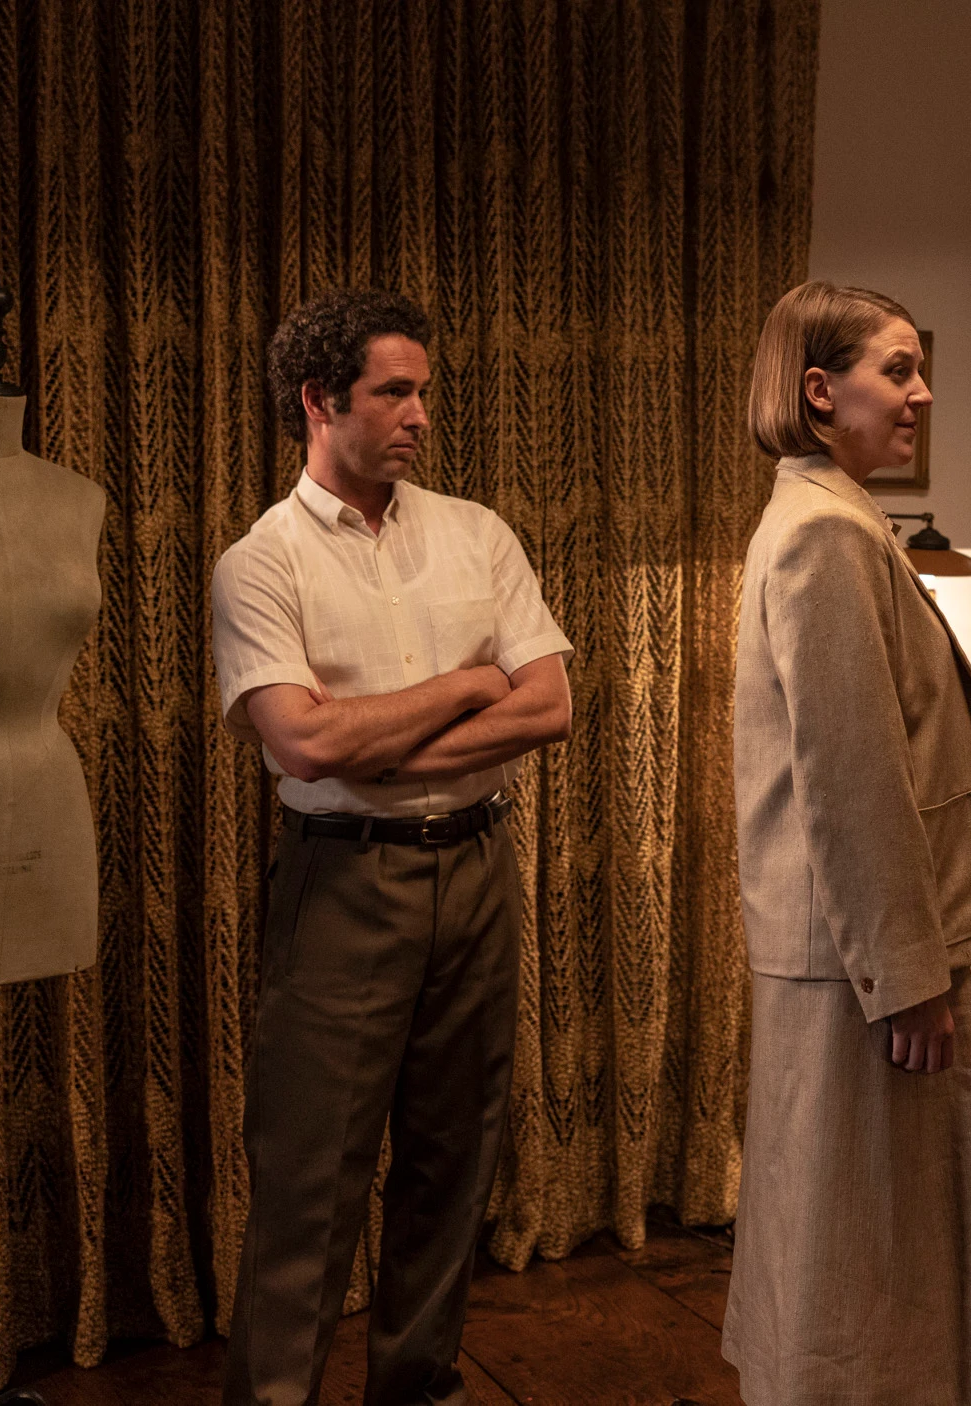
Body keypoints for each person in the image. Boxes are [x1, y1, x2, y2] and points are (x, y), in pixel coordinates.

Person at [211, 288, 574, 1406]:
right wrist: (471, 682)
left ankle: (416, 1386)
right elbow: (306, 740)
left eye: (424, 390)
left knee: (451, 1159)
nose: (420, 414)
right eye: (395, 392)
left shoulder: (477, 532)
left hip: (477, 867)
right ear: (321, 401)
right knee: (310, 1177)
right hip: (343, 881)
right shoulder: (259, 564)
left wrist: (385, 741)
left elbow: (549, 703)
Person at [723, 281, 971, 1405]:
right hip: (862, 967)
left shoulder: (828, 518)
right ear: (818, 389)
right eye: (896, 369)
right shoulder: (823, 536)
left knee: (856, 1239)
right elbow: (850, 776)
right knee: (858, 1253)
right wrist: (904, 976)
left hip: (853, 956)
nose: (921, 393)